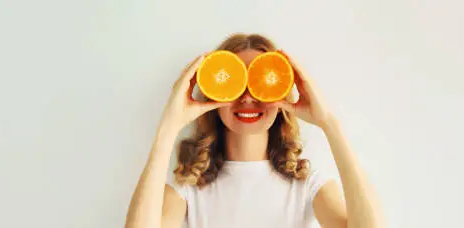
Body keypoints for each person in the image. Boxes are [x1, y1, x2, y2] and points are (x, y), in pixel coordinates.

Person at [124, 33, 382, 228]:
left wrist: (330, 124)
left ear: (282, 97)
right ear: (213, 96)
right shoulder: (189, 189)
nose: (248, 98)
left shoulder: (308, 186)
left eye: (262, 83)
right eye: (236, 84)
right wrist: (168, 127)